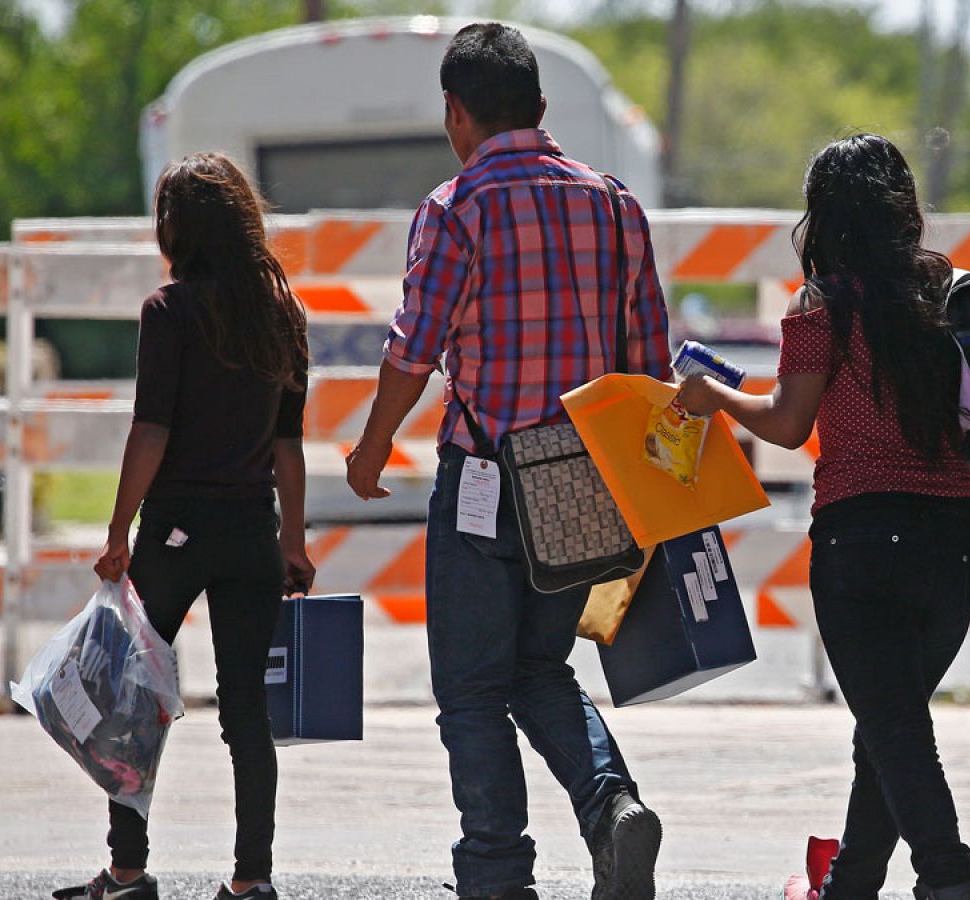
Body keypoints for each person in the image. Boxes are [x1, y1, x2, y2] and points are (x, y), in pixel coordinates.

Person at [676, 133, 970, 900]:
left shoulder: (823, 305)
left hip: (859, 546)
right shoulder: (955, 297)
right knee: (888, 729)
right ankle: (853, 884)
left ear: (823, 217)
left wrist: (714, 397)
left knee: (897, 732)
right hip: (950, 548)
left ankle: (950, 879)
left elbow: (790, 422)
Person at [344, 23, 671, 900]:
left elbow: (413, 352)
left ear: (456, 112)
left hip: (487, 478)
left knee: (473, 689)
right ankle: (612, 806)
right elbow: (650, 368)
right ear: (541, 107)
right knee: (540, 668)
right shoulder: (614, 204)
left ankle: (496, 874)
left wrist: (372, 446)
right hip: (586, 479)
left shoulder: (457, 208)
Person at [63, 152, 314, 900]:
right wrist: (293, 542)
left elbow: (152, 432)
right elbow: (288, 447)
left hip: (174, 533)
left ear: (179, 228)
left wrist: (116, 532)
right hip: (250, 536)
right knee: (246, 713)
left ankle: (128, 870)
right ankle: (251, 880)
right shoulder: (282, 314)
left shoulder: (168, 313)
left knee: (132, 697)